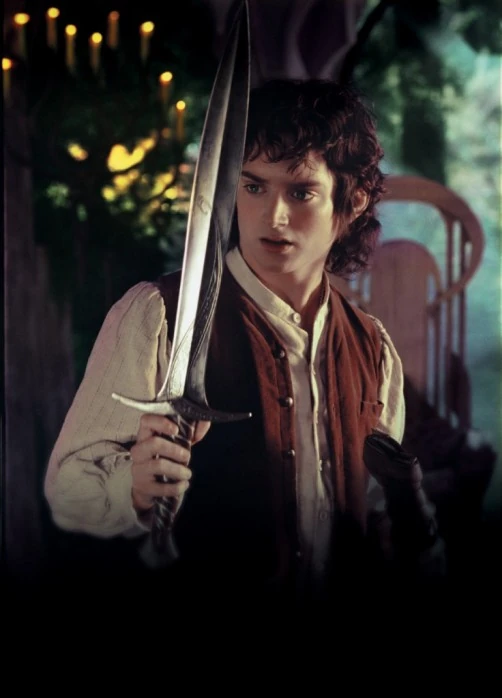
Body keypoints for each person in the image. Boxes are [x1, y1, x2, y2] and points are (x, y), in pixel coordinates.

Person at [45, 79, 408, 617]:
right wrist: (133, 489)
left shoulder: (371, 347)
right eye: (254, 186)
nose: (272, 216)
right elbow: (68, 489)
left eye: (301, 192)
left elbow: (377, 507)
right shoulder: (158, 314)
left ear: (351, 201)